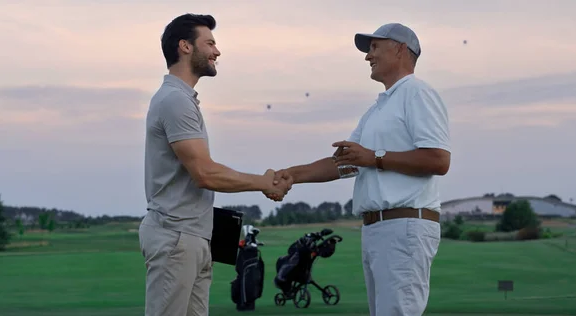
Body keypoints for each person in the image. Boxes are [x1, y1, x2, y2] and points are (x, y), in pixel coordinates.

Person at [269, 23, 451, 316]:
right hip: (378, 229)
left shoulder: (417, 93)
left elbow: (438, 160)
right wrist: (292, 174)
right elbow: (347, 162)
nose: (368, 56)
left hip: (403, 226)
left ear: (401, 49)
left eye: (375, 47)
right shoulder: (378, 108)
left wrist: (374, 157)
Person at [139, 13, 291, 316]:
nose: (217, 52)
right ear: (185, 46)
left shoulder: (183, 100)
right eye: (210, 43)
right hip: (176, 238)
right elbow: (205, 173)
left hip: (192, 236)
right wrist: (264, 182)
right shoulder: (175, 101)